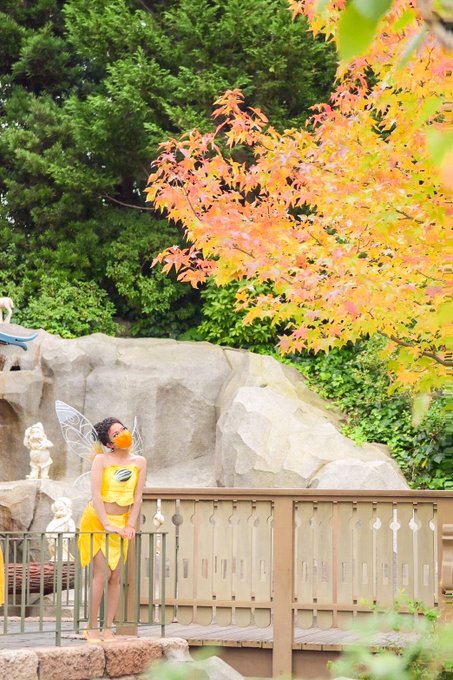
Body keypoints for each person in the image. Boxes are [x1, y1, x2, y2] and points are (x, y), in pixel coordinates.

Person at [79, 417, 146, 642]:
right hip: (98, 521)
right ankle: (91, 626)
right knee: (102, 573)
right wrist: (106, 523)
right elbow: (96, 495)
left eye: (123, 429)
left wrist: (130, 525)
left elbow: (137, 497)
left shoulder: (140, 462)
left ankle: (108, 627)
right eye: (116, 434)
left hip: (122, 522)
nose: (123, 434)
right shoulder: (101, 460)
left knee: (116, 576)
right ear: (110, 443)